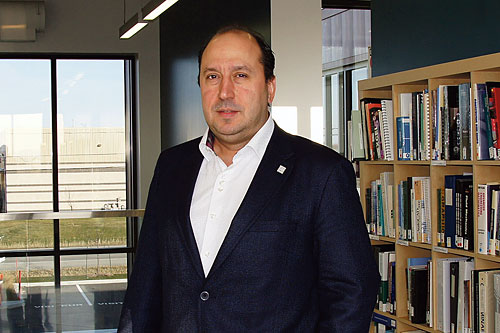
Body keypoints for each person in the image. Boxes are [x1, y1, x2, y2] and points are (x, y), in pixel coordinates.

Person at [118, 25, 380, 332]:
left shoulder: (321, 173)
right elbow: (146, 281)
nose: (224, 92)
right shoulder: (171, 165)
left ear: (270, 87)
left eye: (241, 75)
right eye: (212, 76)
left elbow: (352, 293)